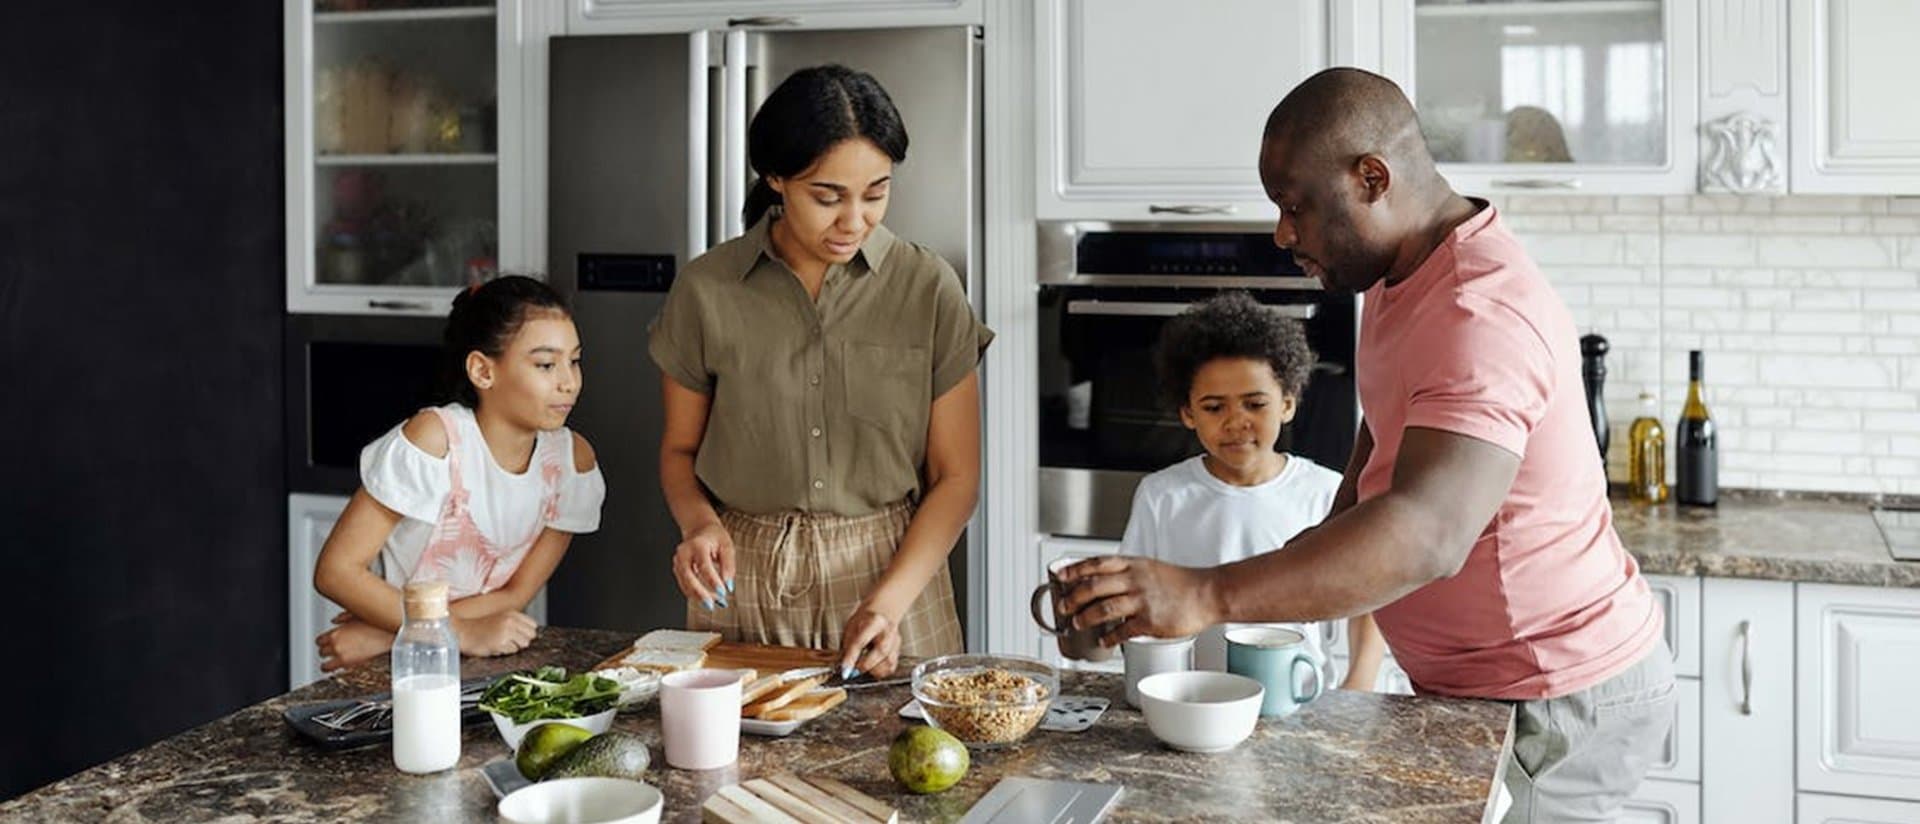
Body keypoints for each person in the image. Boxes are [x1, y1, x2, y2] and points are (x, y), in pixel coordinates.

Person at [1057, 68, 1673, 822]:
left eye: (1294, 207)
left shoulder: (1479, 315)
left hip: (1556, 696)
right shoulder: (1401, 275)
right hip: (1483, 685)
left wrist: (1205, 593)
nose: (1283, 233)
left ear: (1371, 178)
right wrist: (1323, 539)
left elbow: (1427, 535)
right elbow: (1385, 422)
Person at [649, 65, 992, 679]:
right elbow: (679, 451)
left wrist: (886, 605)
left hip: (894, 577)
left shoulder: (927, 287)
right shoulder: (707, 289)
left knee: (913, 763)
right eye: (827, 197)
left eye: (876, 193)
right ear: (776, 178)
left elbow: (956, 477)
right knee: (737, 767)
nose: (854, 220)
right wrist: (699, 526)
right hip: (744, 576)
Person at [314, 276, 606, 671]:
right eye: (545, 364)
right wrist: (458, 632)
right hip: (401, 671)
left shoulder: (571, 461)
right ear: (482, 371)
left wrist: (391, 633)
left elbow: (515, 594)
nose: (568, 382)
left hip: (474, 656)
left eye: (574, 360)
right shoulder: (436, 441)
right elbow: (336, 571)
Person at [1118, 291, 1386, 689]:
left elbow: (1369, 598)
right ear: (1188, 413)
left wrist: (1358, 683)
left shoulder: (1328, 493)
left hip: (1302, 703)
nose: (1235, 422)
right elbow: (1133, 604)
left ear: (1288, 404)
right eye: (1214, 408)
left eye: (1255, 404)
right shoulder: (1160, 496)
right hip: (1195, 698)